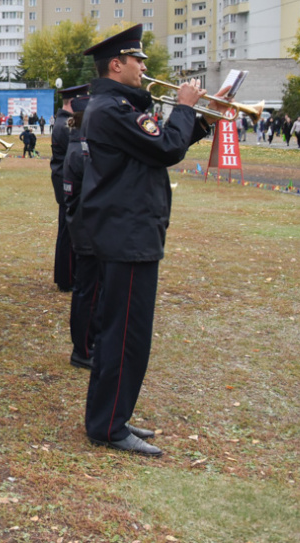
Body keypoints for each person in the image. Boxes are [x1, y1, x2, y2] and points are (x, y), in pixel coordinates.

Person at [78, 24, 223, 456]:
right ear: (116, 64)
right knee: (126, 335)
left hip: (130, 231)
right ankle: (108, 426)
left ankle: (112, 418)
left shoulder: (116, 105)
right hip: (126, 233)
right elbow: (165, 149)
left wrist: (200, 122)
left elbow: (156, 146)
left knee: (124, 333)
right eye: (137, 60)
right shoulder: (112, 107)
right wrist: (184, 107)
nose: (144, 67)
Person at [60, 95, 98, 370]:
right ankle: (83, 349)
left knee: (92, 292)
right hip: (88, 230)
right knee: (87, 293)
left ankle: (89, 344)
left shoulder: (81, 146)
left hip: (89, 228)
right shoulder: (80, 150)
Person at [50, 85, 87, 294]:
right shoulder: (68, 123)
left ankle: (66, 275)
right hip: (67, 183)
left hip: (64, 180)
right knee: (67, 233)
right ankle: (67, 277)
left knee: (67, 232)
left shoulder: (64, 120)